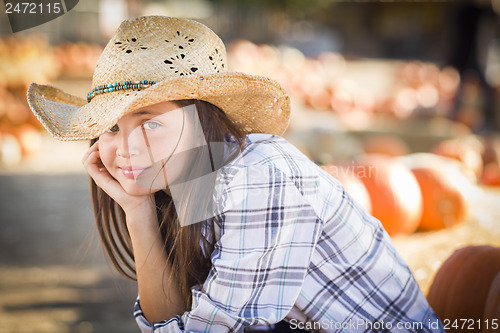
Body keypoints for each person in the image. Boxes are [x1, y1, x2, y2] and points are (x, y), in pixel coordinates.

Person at [27, 16, 444, 333]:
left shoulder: (260, 176)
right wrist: (137, 211)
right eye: (112, 127)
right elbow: (172, 318)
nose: (126, 147)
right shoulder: (182, 183)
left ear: (200, 120)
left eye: (150, 122)